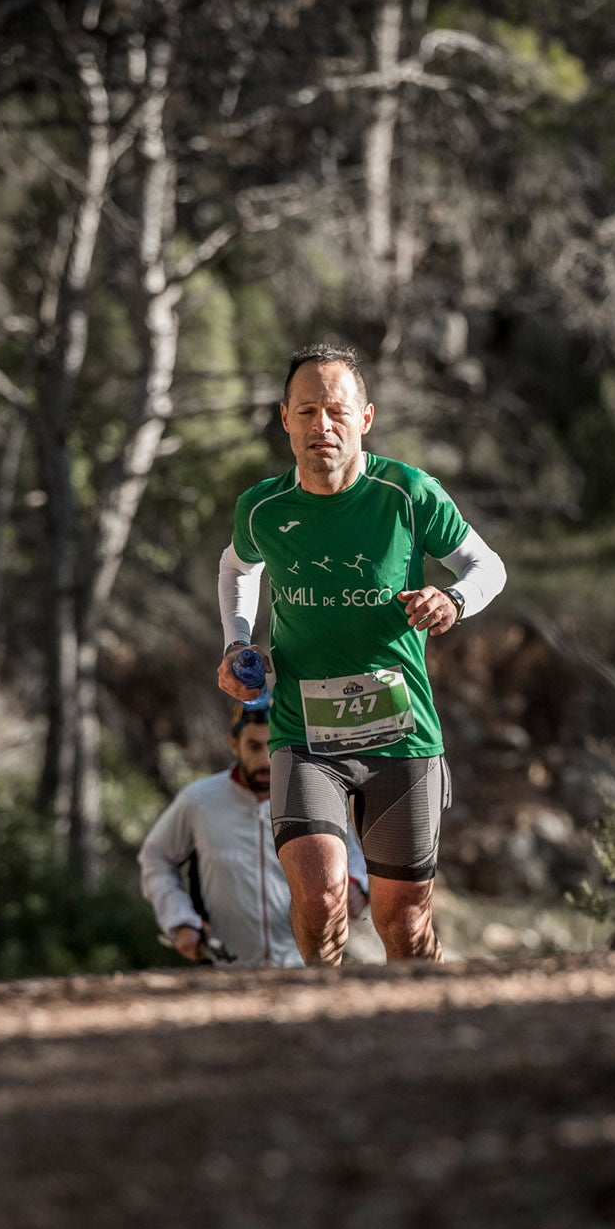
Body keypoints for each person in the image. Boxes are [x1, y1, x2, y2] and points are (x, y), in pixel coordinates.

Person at [214, 342, 506, 964]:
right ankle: (325, 1026)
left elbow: (487, 566)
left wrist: (454, 600)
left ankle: (418, 1033)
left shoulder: (406, 492)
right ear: (286, 418)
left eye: (337, 411)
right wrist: (239, 641)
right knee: (321, 901)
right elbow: (238, 568)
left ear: (365, 418)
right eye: (308, 410)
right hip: (304, 733)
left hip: (402, 736)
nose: (323, 425)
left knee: (403, 919)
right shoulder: (263, 508)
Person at [139, 701, 373, 968]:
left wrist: (357, 887)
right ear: (233, 744)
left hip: (303, 970)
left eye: (273, 745)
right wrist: (180, 920)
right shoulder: (198, 801)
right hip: (224, 970)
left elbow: (350, 854)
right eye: (253, 746)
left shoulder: (311, 796)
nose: (264, 759)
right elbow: (156, 857)